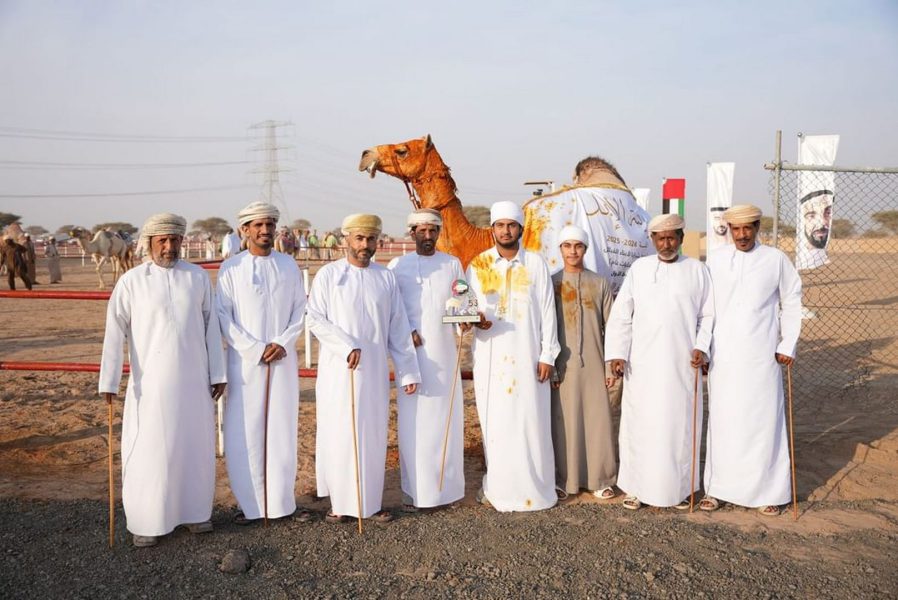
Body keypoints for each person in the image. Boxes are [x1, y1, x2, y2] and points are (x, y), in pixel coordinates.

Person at [98, 213, 226, 547]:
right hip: (150, 387)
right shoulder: (132, 281)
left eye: (175, 240)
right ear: (150, 243)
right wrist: (109, 381)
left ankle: (195, 515)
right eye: (162, 241)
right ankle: (148, 520)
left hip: (195, 383)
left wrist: (218, 373)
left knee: (193, 447)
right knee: (151, 451)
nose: (169, 247)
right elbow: (115, 330)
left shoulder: (197, 278)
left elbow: (212, 328)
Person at [308, 213, 420, 524]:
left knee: (370, 434)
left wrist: (408, 371)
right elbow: (315, 318)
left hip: (372, 374)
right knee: (338, 432)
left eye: (370, 239)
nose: (365, 245)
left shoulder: (385, 278)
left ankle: (369, 504)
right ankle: (340, 504)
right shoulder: (329, 276)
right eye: (359, 238)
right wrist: (345, 346)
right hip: (337, 372)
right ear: (346, 240)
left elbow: (398, 328)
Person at [605, 213, 713, 511]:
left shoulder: (697, 270)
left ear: (681, 237)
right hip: (642, 365)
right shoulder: (639, 269)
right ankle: (636, 488)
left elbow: (708, 315)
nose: (666, 243)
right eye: (660, 238)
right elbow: (621, 315)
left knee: (678, 426)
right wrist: (617, 353)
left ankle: (680, 490)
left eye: (671, 237)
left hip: (681, 364)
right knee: (641, 424)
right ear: (652, 240)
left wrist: (701, 347)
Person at [701, 204, 803, 517]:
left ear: (758, 227)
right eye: (737, 229)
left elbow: (792, 299)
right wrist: (702, 347)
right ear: (728, 230)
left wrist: (788, 343)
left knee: (763, 422)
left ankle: (768, 492)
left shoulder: (775, 260)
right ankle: (717, 489)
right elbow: (705, 308)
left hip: (762, 356)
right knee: (724, 420)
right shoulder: (715, 260)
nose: (742, 235)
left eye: (749, 228)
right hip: (723, 356)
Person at [215, 201, 308, 525]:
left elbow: (300, 310)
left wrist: (282, 343)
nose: (265, 231)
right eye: (258, 225)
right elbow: (224, 317)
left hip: (282, 363)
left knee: (282, 430)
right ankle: (252, 506)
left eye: (269, 224)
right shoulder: (231, 269)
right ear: (244, 230)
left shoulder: (288, 266)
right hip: (245, 365)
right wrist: (254, 348)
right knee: (246, 433)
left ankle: (282, 504)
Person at [466, 200, 560, 512]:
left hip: (529, 358)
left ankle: (538, 490)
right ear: (491, 229)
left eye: (511, 225)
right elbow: (465, 311)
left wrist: (548, 354)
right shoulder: (478, 265)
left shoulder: (535, 264)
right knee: (496, 423)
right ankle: (499, 490)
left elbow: (548, 313)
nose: (506, 231)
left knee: (531, 421)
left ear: (520, 228)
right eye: (500, 225)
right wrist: (472, 320)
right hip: (491, 360)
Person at [388, 209, 466, 511]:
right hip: (412, 357)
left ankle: (446, 493)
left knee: (445, 420)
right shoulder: (398, 266)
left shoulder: (452, 264)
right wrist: (408, 331)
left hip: (445, 355)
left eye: (433, 230)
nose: (428, 236)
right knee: (414, 424)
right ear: (412, 234)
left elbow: (462, 303)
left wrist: (465, 322)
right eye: (422, 231)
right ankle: (415, 492)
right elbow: (392, 309)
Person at [550, 225, 617, 500]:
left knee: (597, 420)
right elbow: (545, 328)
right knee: (564, 422)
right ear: (560, 250)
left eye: (578, 246)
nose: (573, 251)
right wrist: (551, 366)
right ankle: (566, 480)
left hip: (594, 361)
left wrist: (610, 366)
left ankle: (601, 479)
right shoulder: (552, 282)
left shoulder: (599, 282)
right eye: (567, 246)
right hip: (562, 366)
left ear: (585, 250)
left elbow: (612, 327)